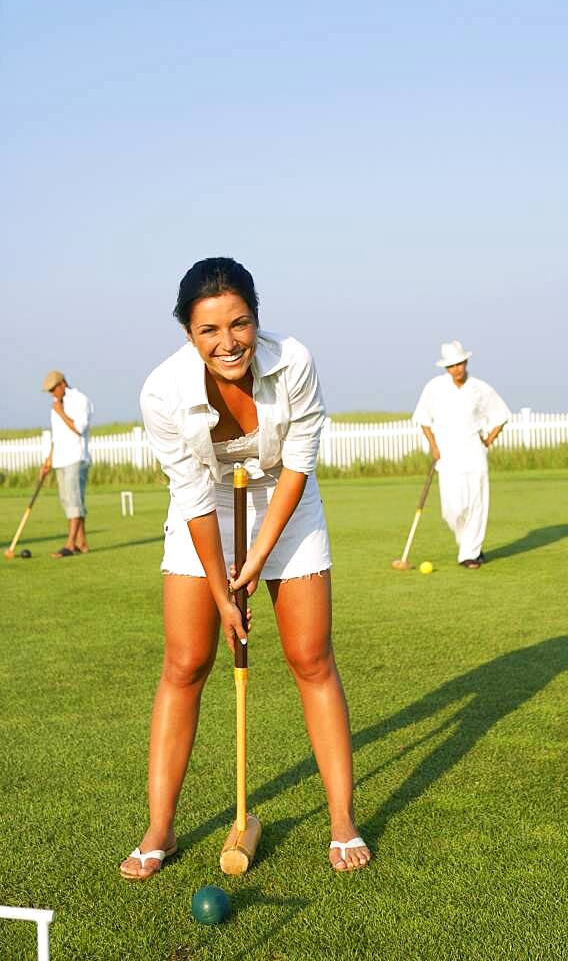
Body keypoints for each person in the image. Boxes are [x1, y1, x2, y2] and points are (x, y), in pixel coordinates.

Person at [120, 257, 370, 879]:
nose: (227, 342)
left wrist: (257, 558)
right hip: (205, 502)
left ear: (257, 320)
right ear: (187, 333)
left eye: (240, 324)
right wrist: (222, 590)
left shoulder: (296, 364)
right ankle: (160, 828)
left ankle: (342, 820)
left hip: (285, 501)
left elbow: (299, 463)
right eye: (209, 330)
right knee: (185, 661)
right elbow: (191, 495)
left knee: (311, 657)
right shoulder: (162, 391)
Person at [412, 339, 510, 569]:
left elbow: (501, 415)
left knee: (476, 504)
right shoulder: (434, 388)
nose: (457, 369)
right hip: (447, 458)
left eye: (460, 364)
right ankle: (469, 543)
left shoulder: (480, 388)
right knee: (452, 510)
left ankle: (469, 553)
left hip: (475, 455)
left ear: (466, 363)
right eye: (452, 365)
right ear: (446, 368)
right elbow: (423, 420)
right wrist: (434, 447)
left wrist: (488, 440)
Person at [39, 370, 93, 558]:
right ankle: (82, 543)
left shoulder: (79, 400)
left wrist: (61, 412)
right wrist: (48, 460)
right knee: (68, 500)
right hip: (60, 459)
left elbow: (79, 428)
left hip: (76, 458)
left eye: (53, 390)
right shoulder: (56, 405)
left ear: (62, 384)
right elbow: (57, 437)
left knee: (74, 500)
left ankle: (70, 544)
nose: (52, 394)